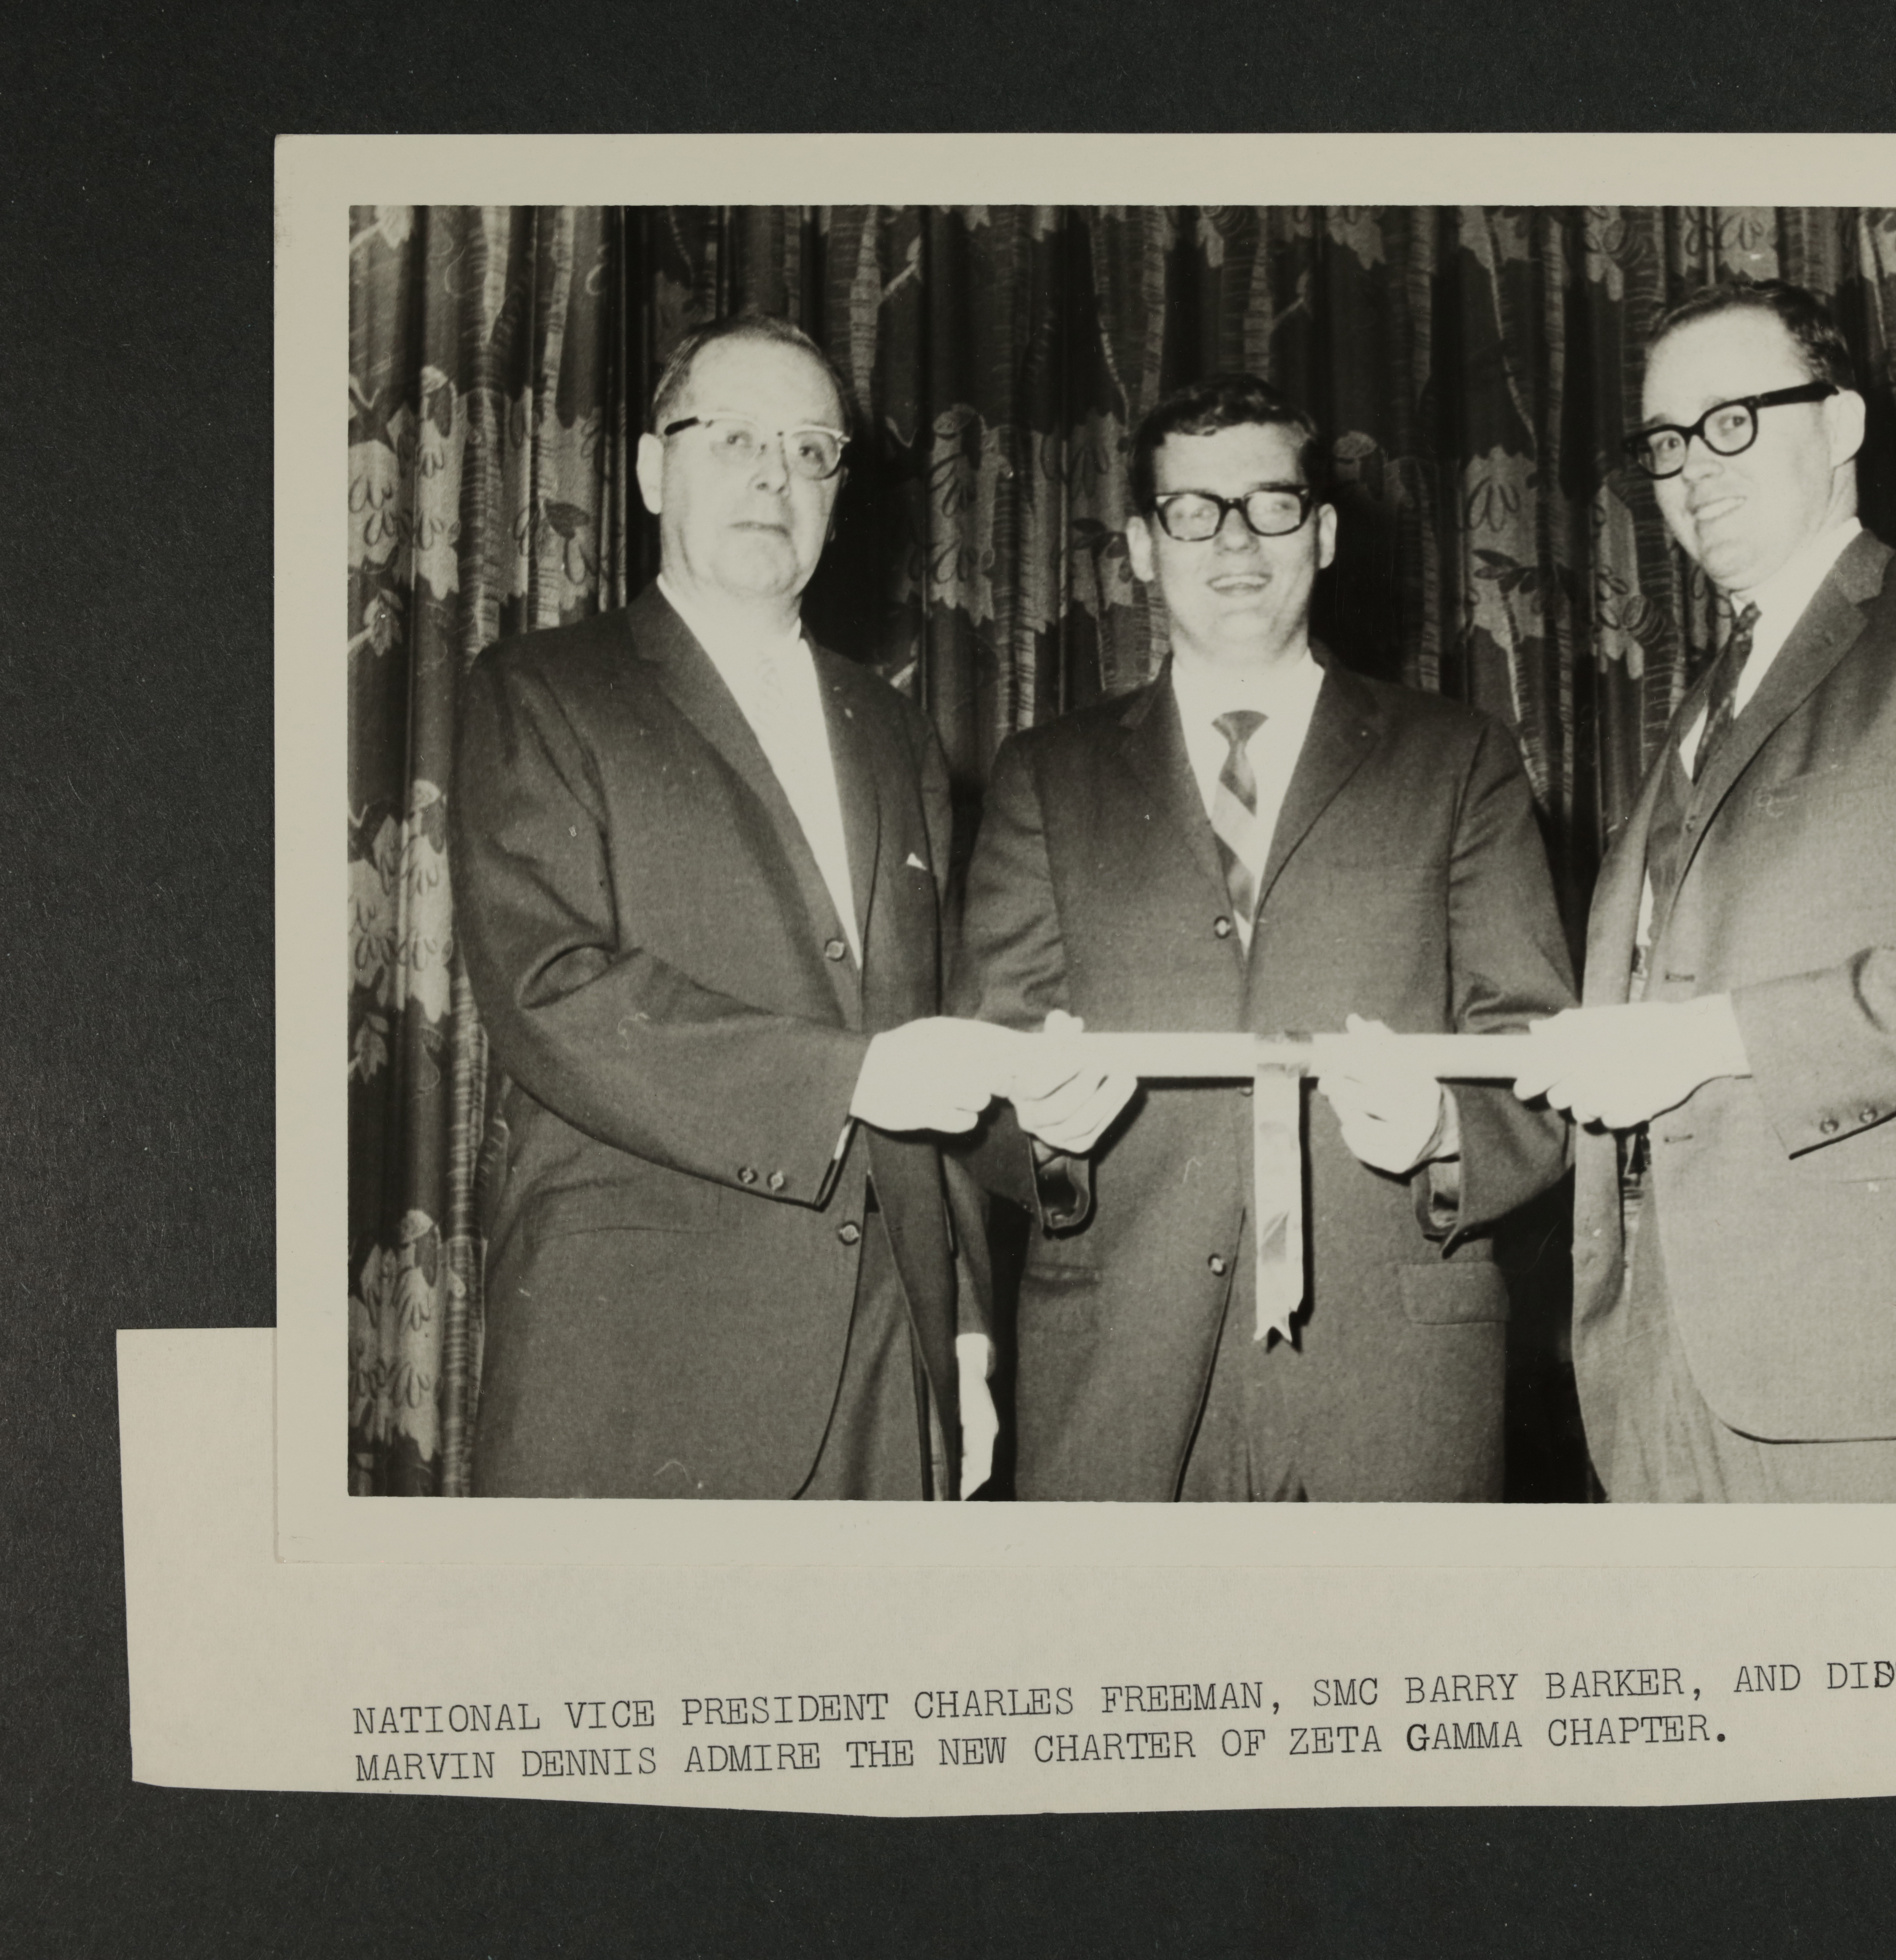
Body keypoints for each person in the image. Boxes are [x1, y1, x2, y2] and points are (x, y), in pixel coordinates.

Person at [1514, 280, 1896, 1503]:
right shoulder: (1708, 698)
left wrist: (1699, 1039)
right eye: (1665, 440)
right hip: (1661, 1355)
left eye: (1732, 421)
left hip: (1875, 1356)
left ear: (1840, 424)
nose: (1692, 467)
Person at [954, 373, 1576, 1502]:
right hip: (1118, 1379)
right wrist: (1039, 1130)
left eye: (1271, 506)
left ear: (1323, 534)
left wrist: (1443, 1128)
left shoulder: (1458, 759)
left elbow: (1537, 1057)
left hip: (1394, 1388)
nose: (1235, 542)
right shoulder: (1045, 776)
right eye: (1193, 511)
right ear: (1141, 549)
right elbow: (984, 1086)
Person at [454, 313, 1032, 1501]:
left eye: (811, 449)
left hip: (890, 1349)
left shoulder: (893, 729)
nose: (776, 475)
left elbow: (930, 1030)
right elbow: (549, 990)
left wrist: (967, 1326)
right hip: (639, 1358)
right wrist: (846, 1080)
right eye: (734, 438)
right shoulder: (544, 690)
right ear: (651, 470)